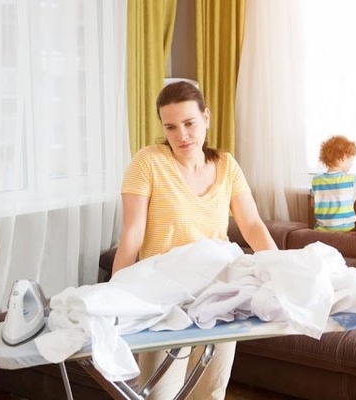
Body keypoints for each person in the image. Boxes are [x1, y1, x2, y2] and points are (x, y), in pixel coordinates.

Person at [111, 81, 278, 400]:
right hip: (164, 296)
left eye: (189, 123)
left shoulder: (227, 166)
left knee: (211, 391)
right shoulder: (148, 162)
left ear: (206, 118)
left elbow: (253, 225)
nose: (182, 135)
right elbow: (132, 233)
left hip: (218, 294)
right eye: (171, 127)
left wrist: (279, 269)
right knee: (159, 394)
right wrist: (116, 294)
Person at [311, 135, 356, 232]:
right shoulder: (351, 180)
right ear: (343, 158)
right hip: (346, 230)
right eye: (351, 160)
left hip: (321, 231)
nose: (351, 164)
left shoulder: (316, 181)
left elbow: (313, 204)